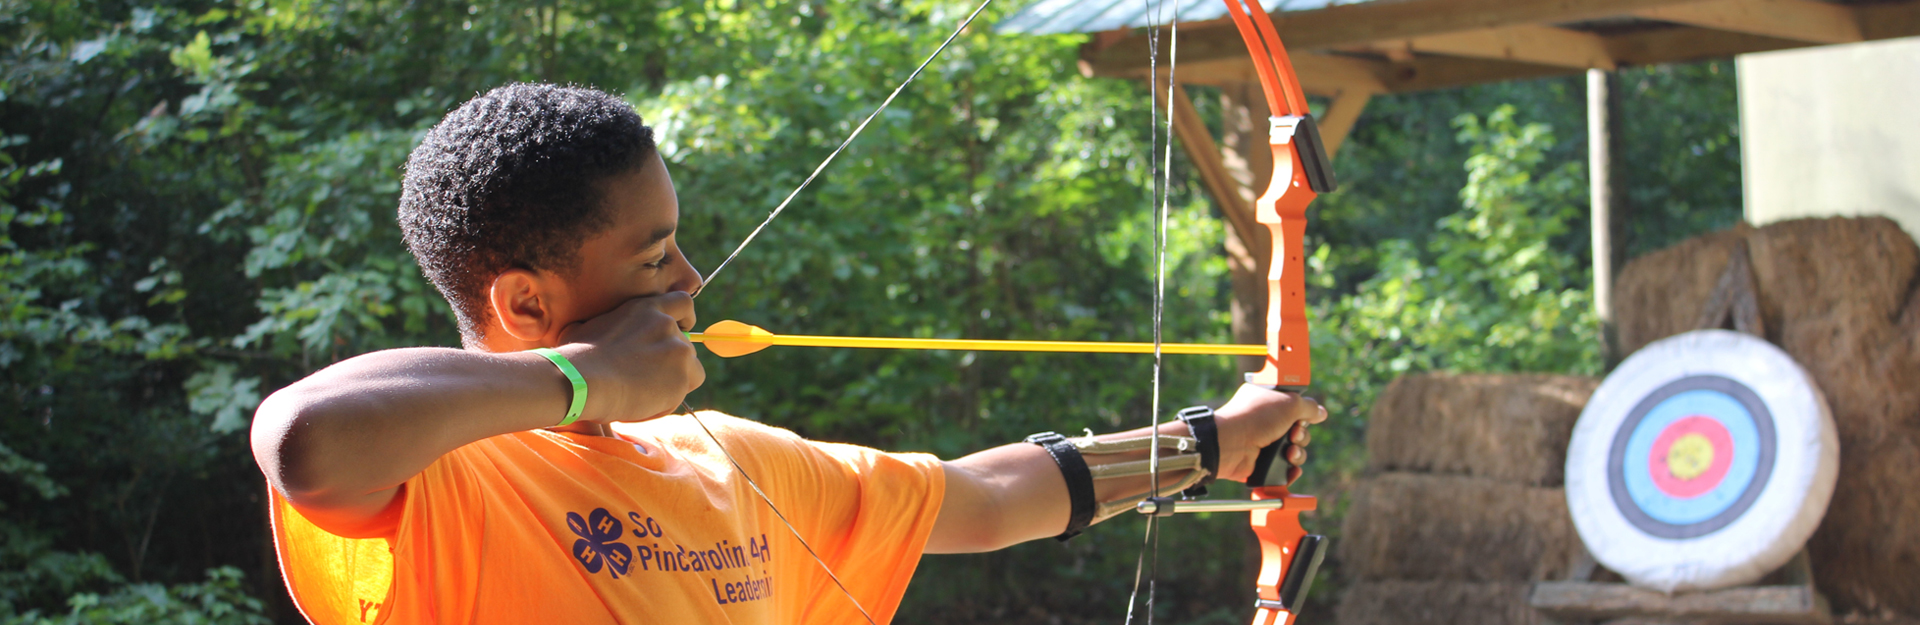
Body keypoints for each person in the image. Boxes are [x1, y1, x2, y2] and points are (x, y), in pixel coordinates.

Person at [249, 83, 1325, 625]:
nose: (690, 280)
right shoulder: (443, 489)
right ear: (527, 303)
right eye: (657, 255)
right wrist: (582, 383)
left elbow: (984, 497)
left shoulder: (725, 460)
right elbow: (306, 440)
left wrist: (1210, 442)